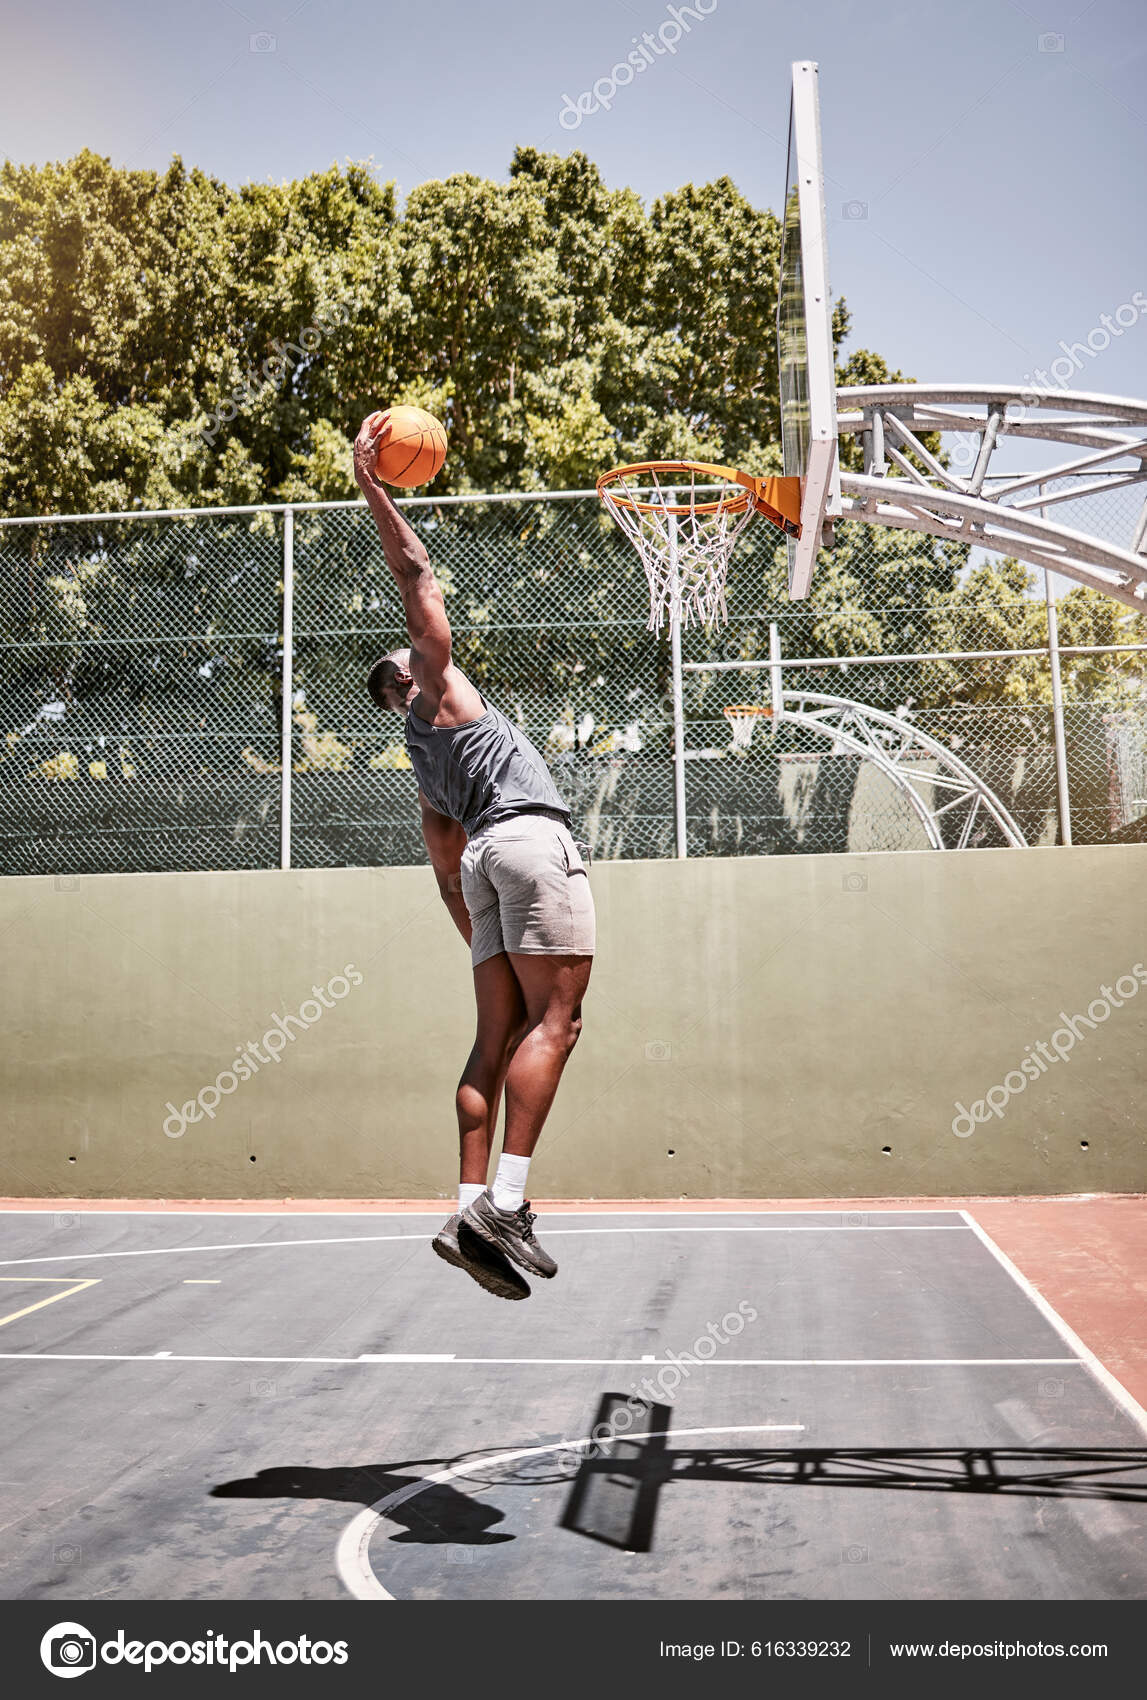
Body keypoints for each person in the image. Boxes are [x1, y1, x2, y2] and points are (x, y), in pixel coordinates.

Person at [355, 414, 595, 1301]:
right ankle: (509, 1201)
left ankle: (466, 1208)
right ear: (413, 677)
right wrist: (373, 484)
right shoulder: (440, 681)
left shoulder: (423, 761)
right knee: (557, 1023)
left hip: (482, 867)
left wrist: (477, 937)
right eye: (419, 658)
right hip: (530, 839)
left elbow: (441, 858)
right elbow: (415, 572)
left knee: (492, 1036)